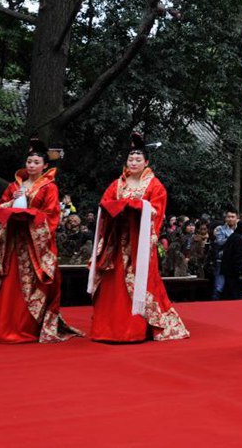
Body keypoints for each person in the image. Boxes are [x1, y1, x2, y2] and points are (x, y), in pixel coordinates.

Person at [89, 132, 189, 343]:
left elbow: (158, 211)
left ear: (146, 162)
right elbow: (104, 204)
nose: (133, 163)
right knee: (112, 282)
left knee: (141, 281)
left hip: (139, 241)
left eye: (138, 159)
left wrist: (139, 206)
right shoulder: (117, 184)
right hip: (116, 241)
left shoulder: (154, 186)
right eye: (130, 159)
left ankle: (136, 328)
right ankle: (107, 328)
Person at [0, 138, 82, 343]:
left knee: (31, 282)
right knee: (9, 282)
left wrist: (29, 212)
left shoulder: (49, 187)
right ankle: (4, 325)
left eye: (36, 162)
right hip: (13, 241)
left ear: (45, 166)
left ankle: (27, 326)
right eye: (29, 161)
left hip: (33, 244)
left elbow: (52, 214)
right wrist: (13, 201)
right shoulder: (14, 186)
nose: (31, 165)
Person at [211, 207, 239, 299]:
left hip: (236, 261)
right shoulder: (220, 229)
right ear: (225, 218)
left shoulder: (240, 229)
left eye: (232, 217)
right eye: (228, 217)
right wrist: (234, 238)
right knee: (219, 285)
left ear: (236, 218)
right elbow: (220, 242)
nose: (230, 219)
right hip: (222, 260)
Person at [221, 220, 242, 300]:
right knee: (235, 294)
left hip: (228, 270)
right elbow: (239, 256)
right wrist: (241, 269)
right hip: (234, 272)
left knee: (228, 292)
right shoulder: (239, 239)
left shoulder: (233, 236)